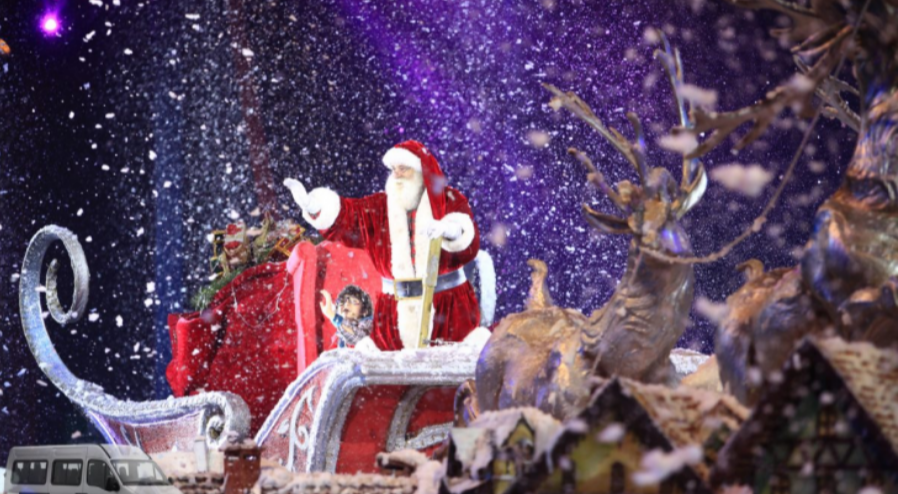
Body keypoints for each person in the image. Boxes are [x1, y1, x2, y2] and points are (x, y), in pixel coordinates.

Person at [284, 140, 480, 350]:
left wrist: (449, 230)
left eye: (403, 169)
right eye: (393, 170)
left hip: (448, 310)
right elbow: (347, 216)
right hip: (392, 316)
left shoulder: (448, 200)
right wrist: (314, 207)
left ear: (421, 172)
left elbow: (466, 235)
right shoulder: (378, 208)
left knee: (453, 376)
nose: (396, 176)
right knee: (386, 378)